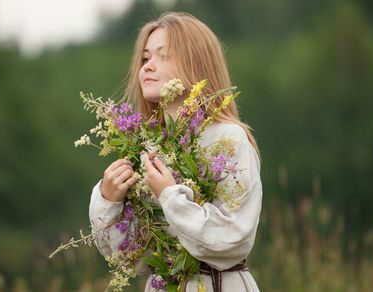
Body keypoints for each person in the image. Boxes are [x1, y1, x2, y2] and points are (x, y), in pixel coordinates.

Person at [89, 12, 262, 292]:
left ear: (196, 63)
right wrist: (109, 201)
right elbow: (133, 261)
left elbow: (233, 238)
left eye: (163, 56)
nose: (147, 67)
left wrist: (170, 196)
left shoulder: (228, 138)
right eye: (145, 58)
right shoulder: (147, 148)